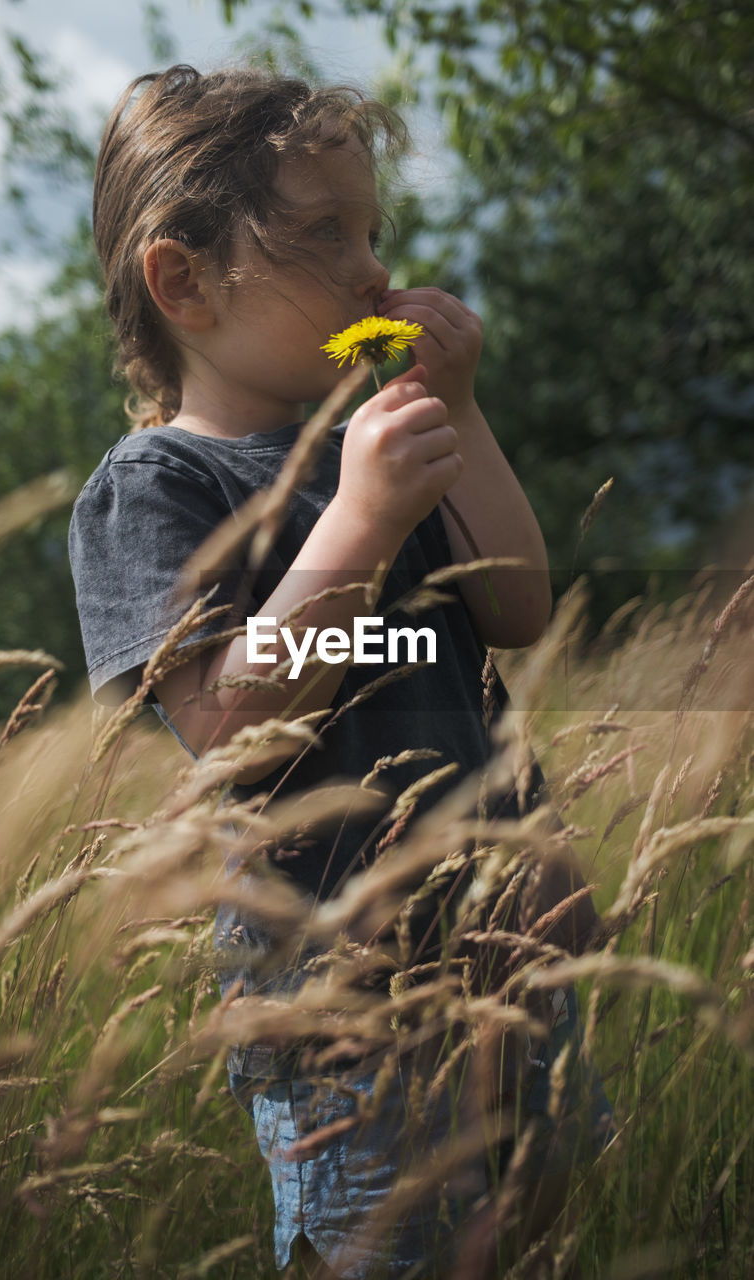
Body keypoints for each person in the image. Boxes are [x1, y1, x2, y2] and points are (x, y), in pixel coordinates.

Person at [69, 65, 612, 1278]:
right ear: (184, 281)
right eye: (322, 234)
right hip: (345, 1005)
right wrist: (359, 519)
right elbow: (221, 716)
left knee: (535, 1236)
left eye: (374, 231)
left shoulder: (379, 442)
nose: (372, 269)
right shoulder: (162, 487)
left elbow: (514, 607)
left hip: (505, 948)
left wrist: (456, 406)